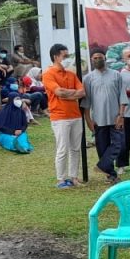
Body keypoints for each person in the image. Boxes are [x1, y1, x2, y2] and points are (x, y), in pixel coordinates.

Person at [43, 43, 86, 189]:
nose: (67, 58)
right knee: (62, 149)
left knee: (75, 148)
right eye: (65, 55)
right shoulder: (48, 74)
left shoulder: (71, 74)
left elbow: (82, 92)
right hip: (60, 116)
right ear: (56, 57)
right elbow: (58, 92)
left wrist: (67, 94)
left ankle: (73, 177)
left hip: (75, 115)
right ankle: (61, 179)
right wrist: (73, 94)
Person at [82, 50, 128, 184]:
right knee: (102, 147)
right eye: (95, 58)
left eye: (100, 57)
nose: (97, 60)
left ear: (105, 58)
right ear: (92, 60)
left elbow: (122, 97)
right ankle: (111, 175)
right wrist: (88, 120)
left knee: (119, 144)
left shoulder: (116, 75)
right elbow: (86, 102)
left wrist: (121, 115)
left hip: (115, 117)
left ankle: (102, 166)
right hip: (98, 119)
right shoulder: (88, 78)